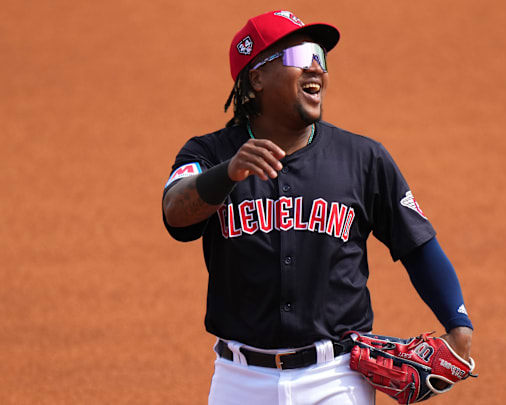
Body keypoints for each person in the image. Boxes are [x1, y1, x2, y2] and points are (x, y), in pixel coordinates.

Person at [162, 10, 474, 405]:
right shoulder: (208, 154)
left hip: (336, 380)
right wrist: (228, 173)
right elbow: (175, 211)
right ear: (256, 77)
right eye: (300, 55)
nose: (316, 68)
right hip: (238, 381)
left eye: (320, 57)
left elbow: (418, 245)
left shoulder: (362, 158)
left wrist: (458, 324)